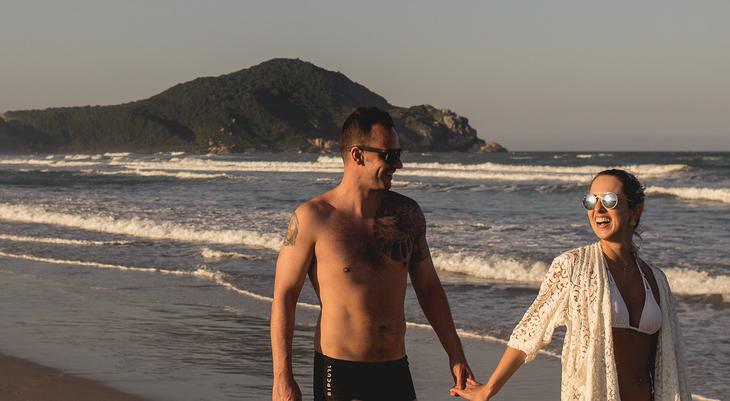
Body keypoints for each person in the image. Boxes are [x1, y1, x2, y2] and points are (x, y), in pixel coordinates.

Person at [272, 106, 473, 401]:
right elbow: (285, 296)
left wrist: (456, 353)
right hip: (340, 371)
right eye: (389, 155)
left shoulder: (407, 215)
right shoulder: (314, 218)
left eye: (399, 153)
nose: (398, 164)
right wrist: (283, 378)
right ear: (358, 155)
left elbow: (429, 287)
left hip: (395, 368)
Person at [450, 169, 690, 401]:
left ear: (635, 211)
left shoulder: (655, 278)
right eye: (591, 201)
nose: (598, 209)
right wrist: (489, 389)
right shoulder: (573, 266)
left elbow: (668, 356)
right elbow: (529, 330)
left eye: (609, 200)